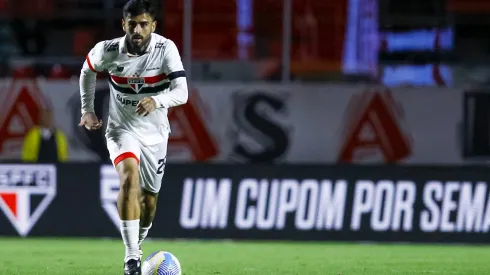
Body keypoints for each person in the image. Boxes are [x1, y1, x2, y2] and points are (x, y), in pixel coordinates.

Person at [78, 1, 188, 274]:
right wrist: (88, 110)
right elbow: (87, 71)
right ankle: (131, 259)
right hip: (121, 129)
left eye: (143, 24)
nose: (137, 29)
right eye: (132, 23)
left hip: (155, 135)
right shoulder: (108, 50)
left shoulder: (166, 50)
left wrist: (157, 100)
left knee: (149, 201)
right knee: (129, 176)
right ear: (123, 24)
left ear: (153, 25)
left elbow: (182, 92)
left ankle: (137, 241)